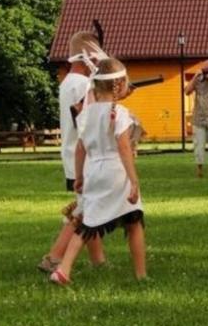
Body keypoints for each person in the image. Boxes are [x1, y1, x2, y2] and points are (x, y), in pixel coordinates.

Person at [50, 58, 146, 284]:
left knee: (87, 223)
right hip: (115, 172)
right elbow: (123, 148)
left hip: (93, 170)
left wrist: (80, 176)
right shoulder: (120, 113)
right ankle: (141, 275)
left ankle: (63, 269)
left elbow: (80, 149)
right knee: (134, 221)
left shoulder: (85, 114)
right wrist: (133, 181)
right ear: (120, 85)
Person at [37, 31, 108, 273]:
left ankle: (99, 260)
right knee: (85, 210)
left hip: (73, 154)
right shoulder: (82, 84)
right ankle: (55, 256)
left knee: (87, 206)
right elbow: (89, 118)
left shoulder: (70, 82)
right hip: (83, 156)